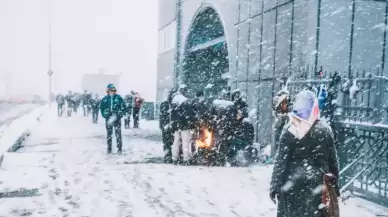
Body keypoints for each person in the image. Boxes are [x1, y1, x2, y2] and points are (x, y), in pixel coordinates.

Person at [269, 90, 340, 217]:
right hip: (318, 183)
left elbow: (281, 161)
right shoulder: (325, 130)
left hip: (292, 184)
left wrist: (275, 185)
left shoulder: (290, 129)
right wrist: (335, 186)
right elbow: (333, 161)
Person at [170, 85, 196, 165]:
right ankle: (186, 159)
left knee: (176, 141)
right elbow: (189, 114)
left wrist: (174, 123)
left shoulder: (174, 100)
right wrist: (191, 122)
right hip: (184, 124)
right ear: (184, 91)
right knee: (185, 142)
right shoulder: (185, 101)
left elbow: (172, 114)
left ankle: (175, 158)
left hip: (176, 124)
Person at [100, 84, 126, 154]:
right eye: (111, 90)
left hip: (117, 118)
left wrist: (120, 113)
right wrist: (105, 114)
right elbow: (102, 108)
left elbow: (123, 107)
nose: (112, 92)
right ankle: (109, 149)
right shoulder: (105, 99)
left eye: (113, 90)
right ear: (108, 91)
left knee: (118, 134)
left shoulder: (118, 98)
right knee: (109, 134)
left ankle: (119, 149)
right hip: (109, 119)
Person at [272, 89, 290, 157]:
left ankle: (280, 155)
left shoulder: (285, 102)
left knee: (280, 142)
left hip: (283, 125)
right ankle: (280, 155)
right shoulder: (279, 102)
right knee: (279, 141)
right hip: (281, 125)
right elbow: (276, 112)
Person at [159, 90, 175, 163]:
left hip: (166, 126)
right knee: (170, 141)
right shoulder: (172, 105)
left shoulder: (165, 104)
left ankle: (167, 156)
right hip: (169, 126)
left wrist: (162, 126)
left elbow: (161, 116)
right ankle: (169, 156)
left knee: (167, 142)